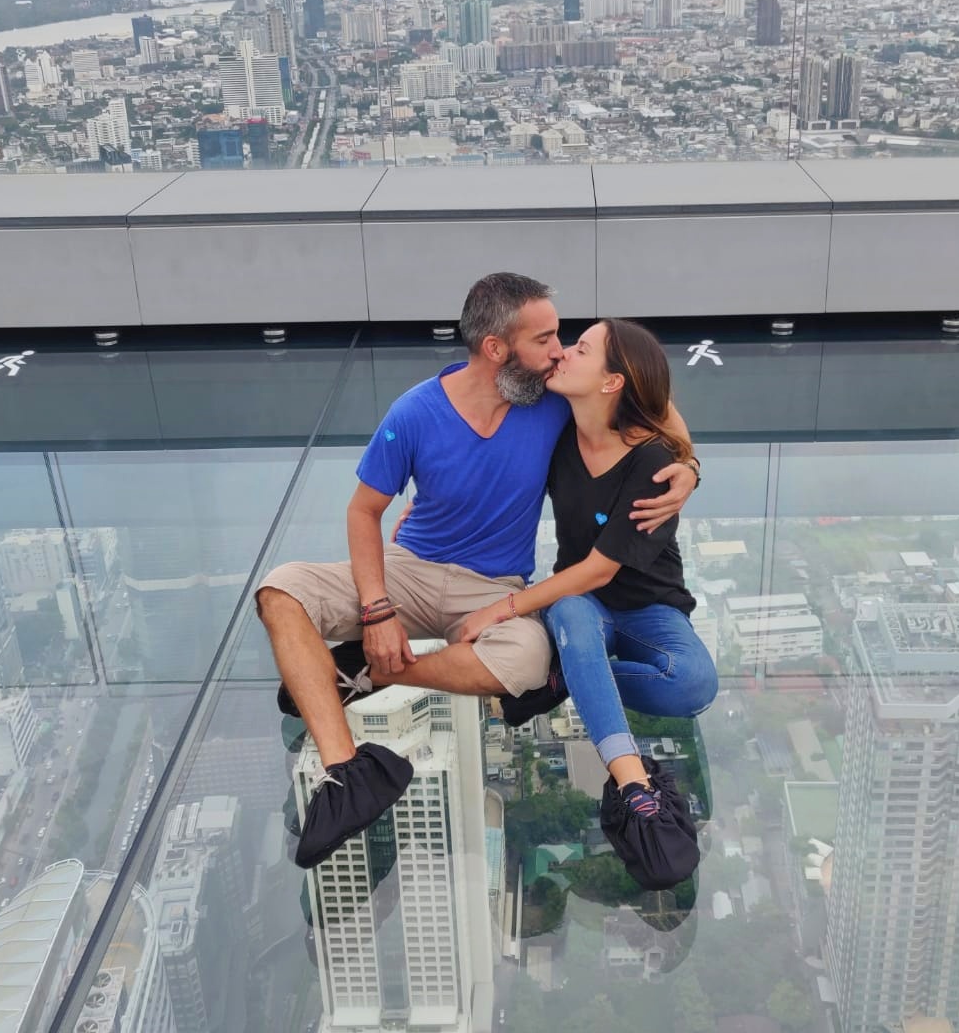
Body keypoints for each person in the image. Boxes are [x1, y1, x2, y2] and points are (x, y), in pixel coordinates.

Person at [254, 273, 699, 869]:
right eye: (544, 339)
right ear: (495, 348)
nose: (559, 351)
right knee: (281, 590)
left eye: (562, 339)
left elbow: (648, 399)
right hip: (409, 569)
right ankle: (346, 773)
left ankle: (375, 671)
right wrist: (377, 609)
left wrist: (688, 465)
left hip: (493, 586)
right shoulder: (414, 412)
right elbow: (363, 511)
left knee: (530, 660)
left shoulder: (553, 402)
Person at [456, 318, 716, 890]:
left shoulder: (652, 459)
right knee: (573, 609)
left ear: (611, 382)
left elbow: (602, 566)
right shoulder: (556, 425)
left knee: (695, 685)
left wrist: (503, 609)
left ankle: (571, 676)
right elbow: (483, 457)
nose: (563, 353)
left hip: (650, 607)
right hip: (582, 606)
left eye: (581, 349)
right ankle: (633, 785)